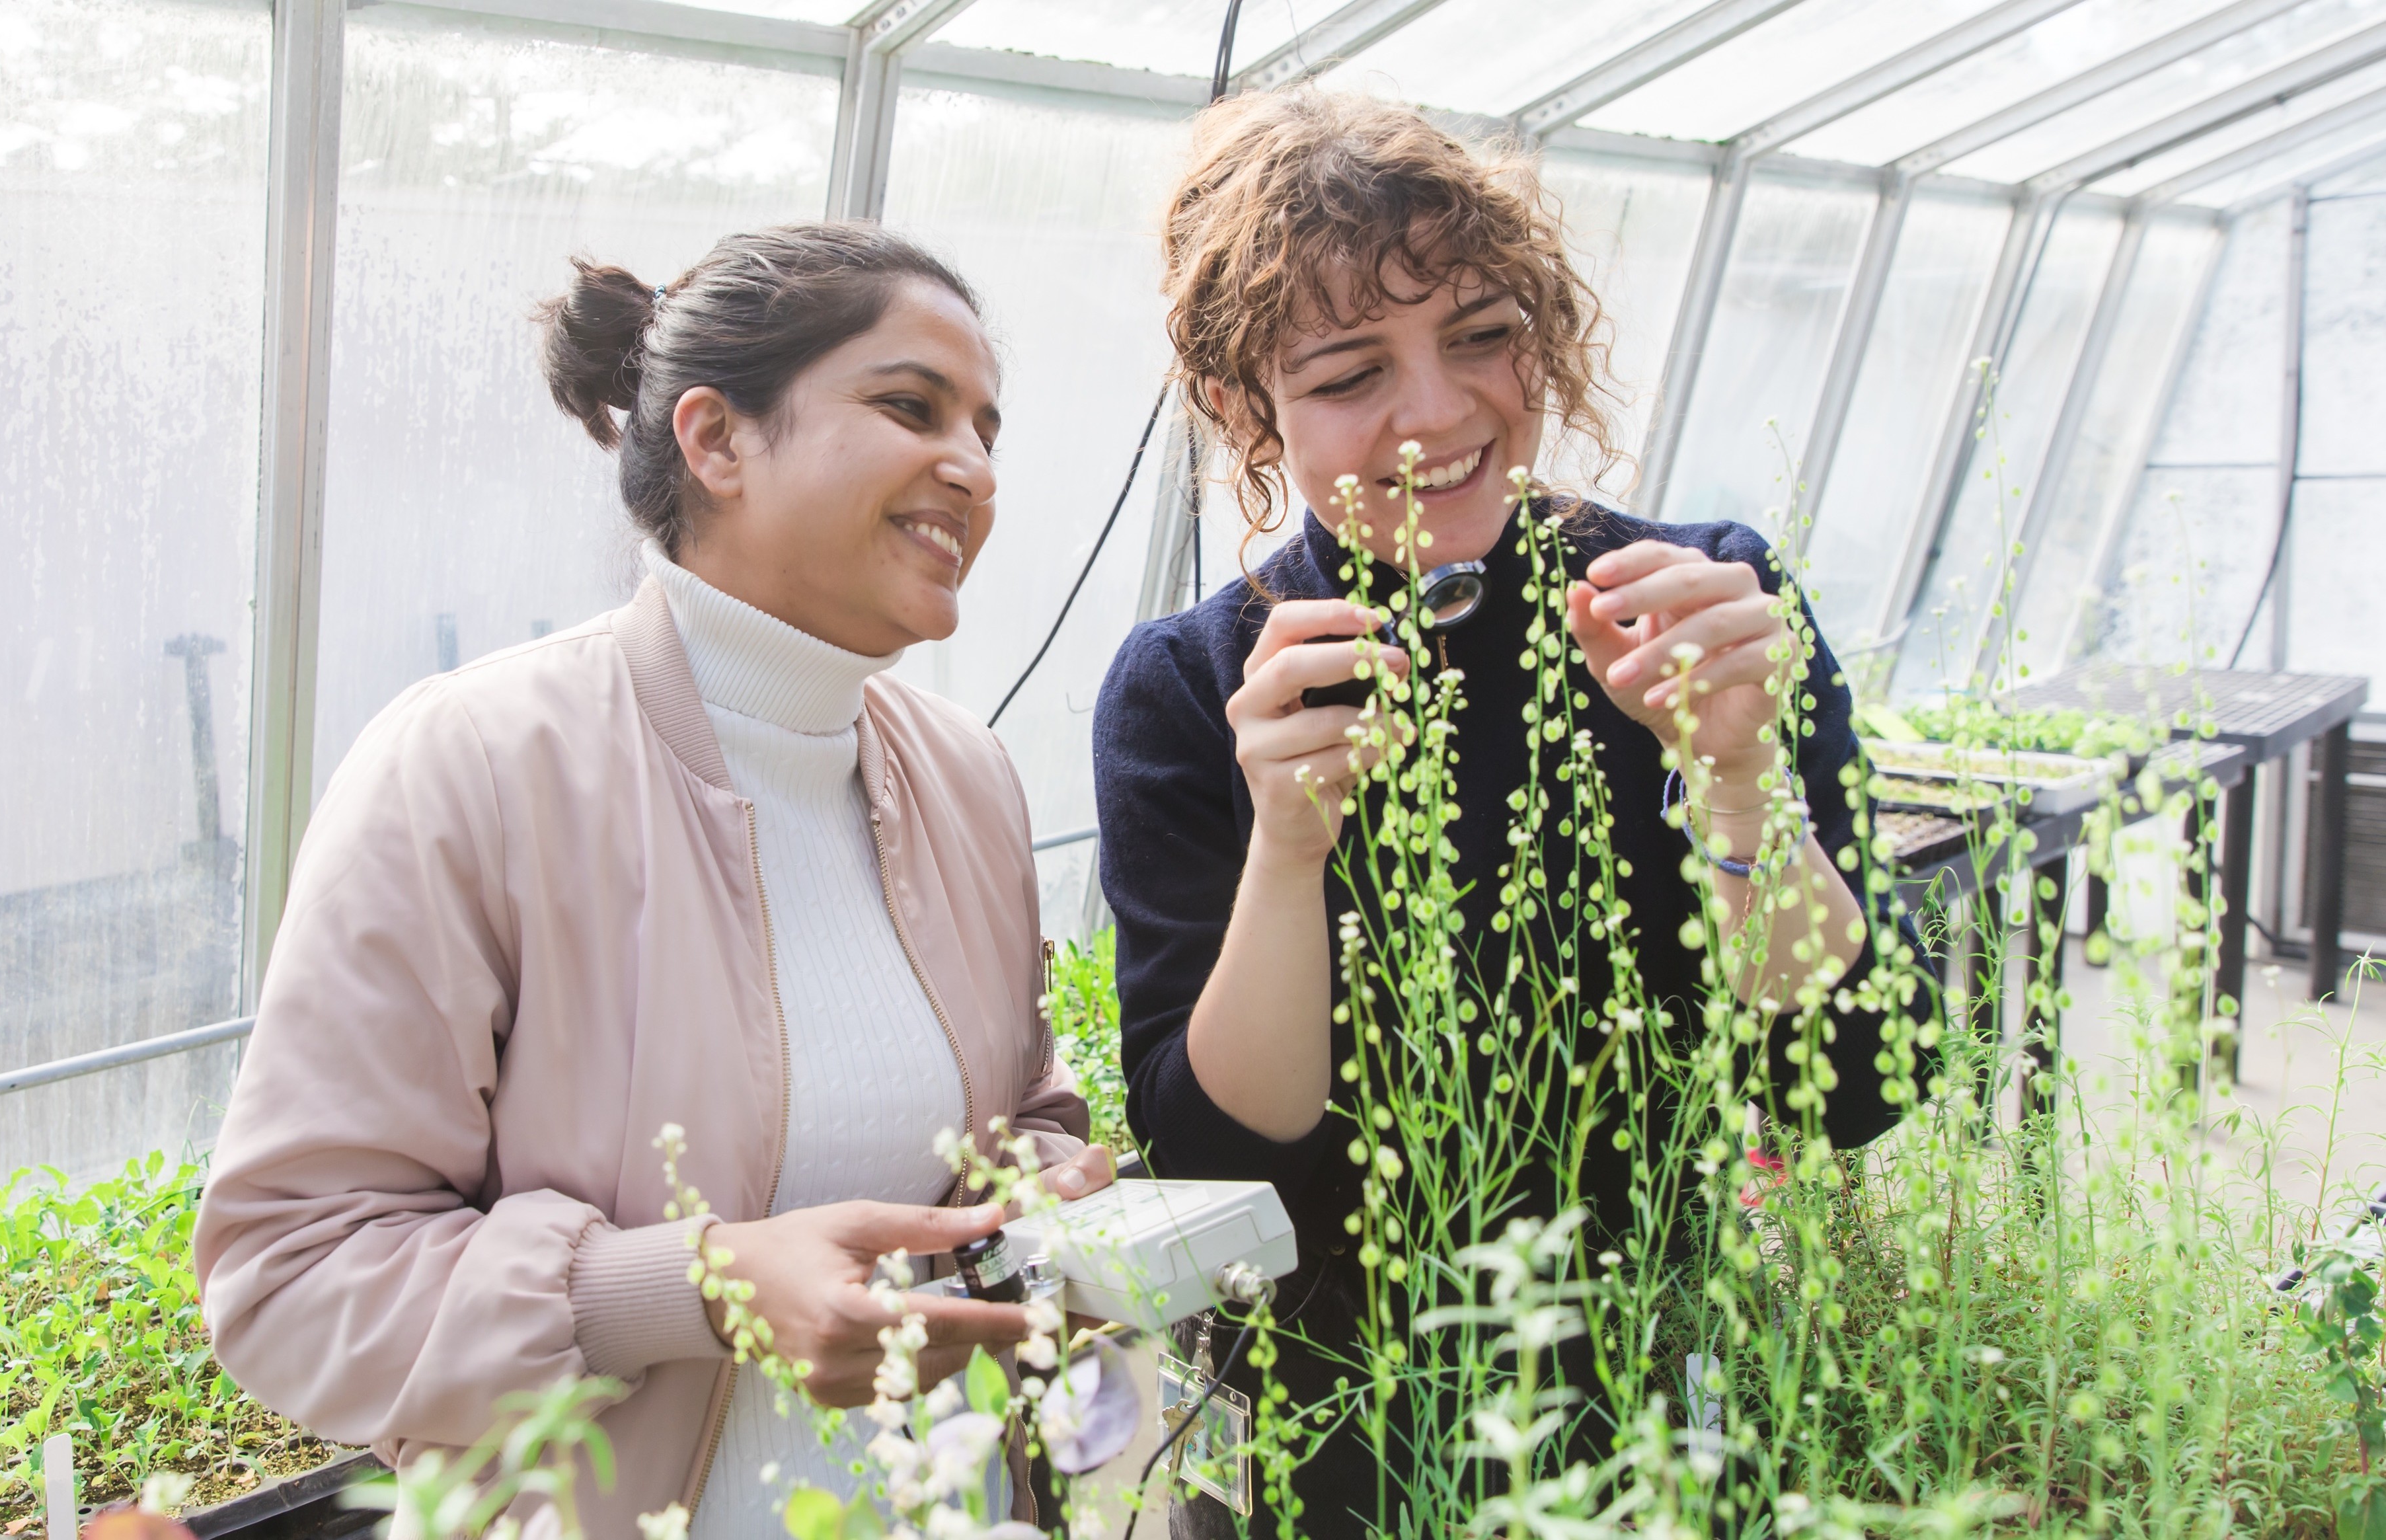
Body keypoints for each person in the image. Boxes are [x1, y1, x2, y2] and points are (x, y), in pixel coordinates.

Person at [194, 222, 1112, 1537]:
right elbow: (289, 1277)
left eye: (986, 429)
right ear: (716, 439)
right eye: (911, 407)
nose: (969, 466)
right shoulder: (476, 763)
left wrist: (1038, 1173)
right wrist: (701, 1285)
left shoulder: (967, 775)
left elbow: (1025, 1102)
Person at [1093, 91, 1913, 1536]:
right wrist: (1291, 846)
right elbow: (1219, 1168)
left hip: (1655, 1411)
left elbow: (1843, 1084)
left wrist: (1735, 777)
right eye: (1350, 373)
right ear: (1243, 405)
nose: (1439, 411)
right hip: (1331, 1435)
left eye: (1483, 335)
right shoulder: (1196, 687)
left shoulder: (1701, 604)